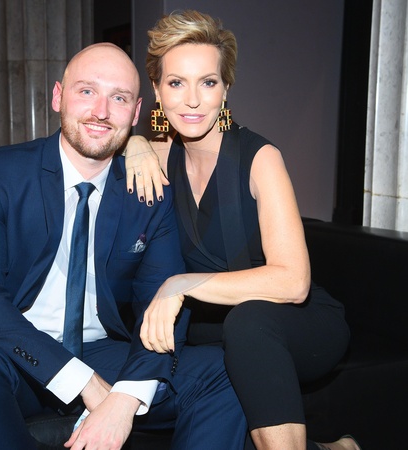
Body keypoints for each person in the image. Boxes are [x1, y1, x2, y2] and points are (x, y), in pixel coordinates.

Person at [0, 42, 248, 450]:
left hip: (101, 351)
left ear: (136, 112)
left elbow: (158, 308)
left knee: (225, 371)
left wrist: (125, 398)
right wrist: (84, 382)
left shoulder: (148, 195)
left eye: (119, 98)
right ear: (58, 97)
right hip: (8, 351)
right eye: (87, 91)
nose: (101, 111)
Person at [124, 10, 358, 450]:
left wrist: (180, 284)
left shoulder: (259, 158)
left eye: (208, 82)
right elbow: (104, 144)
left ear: (226, 89)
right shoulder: (158, 156)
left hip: (293, 325)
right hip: (216, 330)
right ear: (156, 90)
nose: (193, 100)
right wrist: (134, 144)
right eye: (176, 83)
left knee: (247, 325)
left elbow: (293, 282)